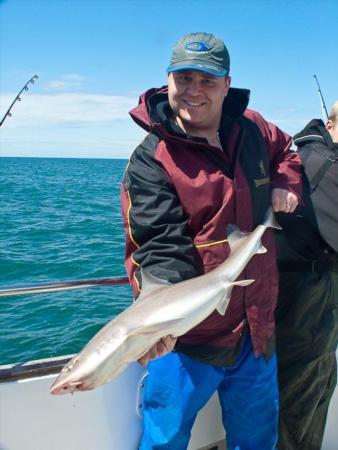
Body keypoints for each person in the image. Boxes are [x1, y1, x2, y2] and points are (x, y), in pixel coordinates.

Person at [121, 32, 301, 450]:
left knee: (257, 439)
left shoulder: (253, 128)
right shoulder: (151, 160)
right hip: (189, 341)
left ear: (226, 83)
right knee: (164, 440)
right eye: (184, 78)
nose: (194, 91)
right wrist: (163, 323)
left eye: (207, 80)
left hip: (257, 330)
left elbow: (288, 151)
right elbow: (159, 248)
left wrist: (284, 182)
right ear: (167, 80)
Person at [275, 102, 338, 450]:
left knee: (320, 384)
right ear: (330, 125)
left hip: (317, 301)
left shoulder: (306, 154)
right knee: (299, 400)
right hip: (303, 303)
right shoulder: (322, 163)